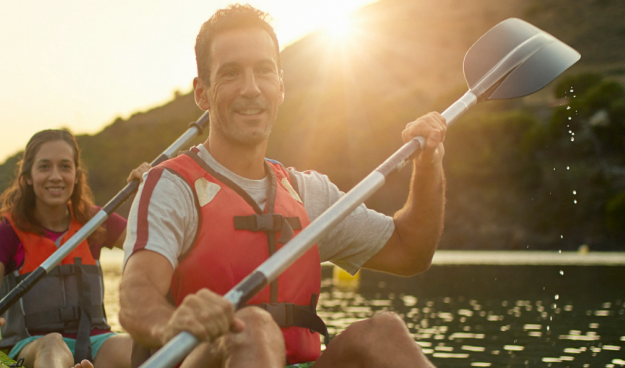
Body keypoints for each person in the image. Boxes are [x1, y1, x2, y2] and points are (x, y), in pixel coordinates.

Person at [119, 4, 445, 368]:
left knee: (383, 332)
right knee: (253, 325)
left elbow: (410, 252)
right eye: (230, 74)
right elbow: (136, 295)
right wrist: (170, 324)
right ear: (202, 93)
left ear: (281, 86)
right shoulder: (171, 185)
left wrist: (428, 165)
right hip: (204, 358)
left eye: (264, 71)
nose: (251, 89)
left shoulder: (307, 194)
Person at [0, 129, 146, 368]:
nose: (55, 176)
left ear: (76, 174)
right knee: (52, 344)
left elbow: (153, 246)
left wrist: (150, 192)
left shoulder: (96, 221)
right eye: (44, 167)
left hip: (96, 342)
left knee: (135, 347)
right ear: (28, 176)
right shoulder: (6, 233)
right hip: (31, 345)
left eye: (64, 166)